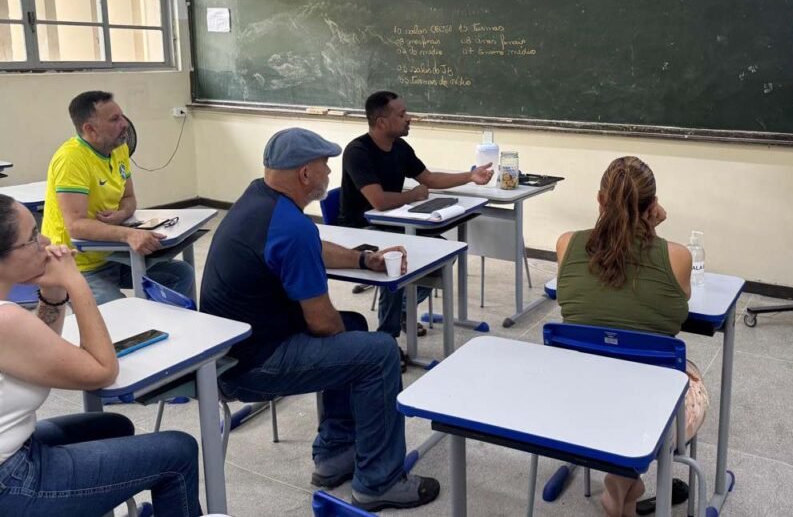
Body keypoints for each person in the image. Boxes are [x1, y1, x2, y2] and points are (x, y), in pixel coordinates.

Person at [199, 127, 440, 512]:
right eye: (325, 167)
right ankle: (380, 481)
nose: (331, 174)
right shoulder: (288, 227)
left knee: (357, 328)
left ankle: (334, 455)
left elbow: (313, 242)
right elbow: (324, 324)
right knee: (377, 352)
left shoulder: (259, 199)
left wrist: (363, 259)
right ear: (305, 174)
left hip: (233, 349)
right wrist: (355, 349)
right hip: (252, 365)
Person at [0, 194, 200, 516]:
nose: (47, 242)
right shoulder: (6, 321)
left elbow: (38, 353)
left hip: (16, 448)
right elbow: (103, 371)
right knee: (179, 451)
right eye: (33, 239)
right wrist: (75, 282)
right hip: (11, 480)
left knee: (113, 426)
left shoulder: (10, 323)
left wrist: (54, 294)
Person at [555, 156, 707, 517]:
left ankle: (622, 484)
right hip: (654, 414)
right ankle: (625, 481)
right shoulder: (678, 258)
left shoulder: (566, 245)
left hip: (574, 401)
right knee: (688, 373)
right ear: (653, 207)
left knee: (612, 364)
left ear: (599, 201)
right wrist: (650, 232)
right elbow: (676, 299)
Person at [340, 90, 493, 339]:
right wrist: (413, 196)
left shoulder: (399, 147)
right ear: (382, 122)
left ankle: (402, 310)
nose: (408, 118)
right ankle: (387, 338)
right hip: (360, 228)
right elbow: (378, 201)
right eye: (402, 114)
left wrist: (470, 176)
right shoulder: (358, 152)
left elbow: (429, 178)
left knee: (442, 253)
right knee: (396, 260)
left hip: (392, 223)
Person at [41, 91, 194, 304]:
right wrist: (127, 235)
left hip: (112, 254)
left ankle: (157, 326)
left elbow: (129, 197)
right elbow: (76, 226)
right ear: (89, 129)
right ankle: (140, 328)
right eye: (114, 119)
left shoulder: (118, 149)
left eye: (122, 116)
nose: (124, 124)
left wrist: (121, 213)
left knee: (181, 273)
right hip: (77, 264)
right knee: (117, 317)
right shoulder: (71, 160)